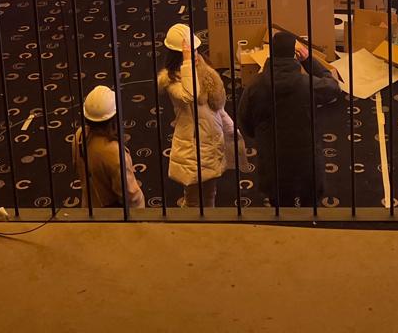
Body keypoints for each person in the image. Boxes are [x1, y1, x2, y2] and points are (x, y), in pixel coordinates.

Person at [237, 30, 341, 206]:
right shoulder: (307, 85)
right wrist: (308, 61)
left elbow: (244, 122)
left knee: (281, 208)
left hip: (273, 159)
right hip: (306, 159)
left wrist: (262, 136)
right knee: (310, 207)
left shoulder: (255, 86)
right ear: (294, 55)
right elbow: (333, 87)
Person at [158, 22, 228, 208]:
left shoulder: (201, 69)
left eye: (196, 50)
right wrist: (188, 63)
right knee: (195, 198)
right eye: (190, 52)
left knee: (210, 191)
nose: (195, 54)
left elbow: (218, 102)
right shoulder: (171, 81)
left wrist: (201, 66)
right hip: (194, 146)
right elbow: (190, 95)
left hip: (210, 139)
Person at [71, 84, 145, 209]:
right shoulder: (114, 152)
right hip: (114, 218)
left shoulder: (79, 136)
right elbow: (131, 196)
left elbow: (76, 166)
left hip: (90, 207)